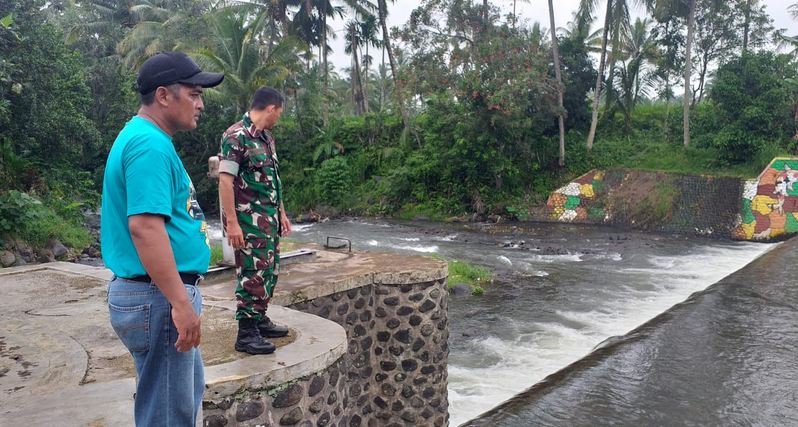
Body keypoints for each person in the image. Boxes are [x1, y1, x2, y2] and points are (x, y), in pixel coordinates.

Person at [101, 51, 223, 426]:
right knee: (169, 416)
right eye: (194, 93)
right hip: (158, 298)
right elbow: (145, 228)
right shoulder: (148, 145)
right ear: (164, 95)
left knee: (177, 403)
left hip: (157, 296)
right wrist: (180, 302)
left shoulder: (146, 138)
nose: (200, 104)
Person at [218, 87, 291, 355]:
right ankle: (246, 333)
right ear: (271, 108)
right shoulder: (235, 136)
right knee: (252, 271)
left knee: (269, 270)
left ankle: (259, 319)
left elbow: (273, 179)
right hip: (248, 221)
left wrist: (281, 212)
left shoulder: (267, 139)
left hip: (269, 219)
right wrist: (232, 223)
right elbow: (225, 182)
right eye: (279, 113)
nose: (278, 118)